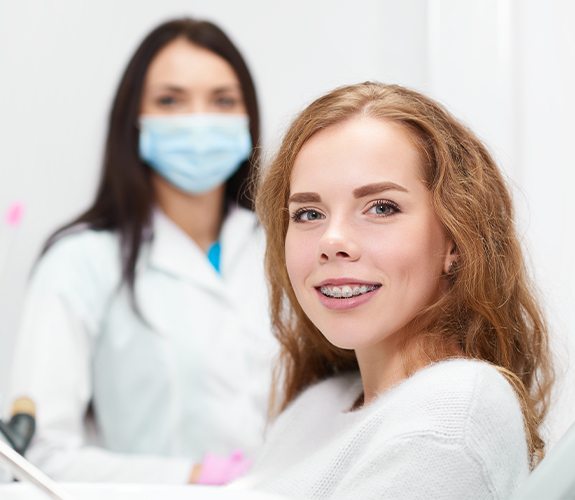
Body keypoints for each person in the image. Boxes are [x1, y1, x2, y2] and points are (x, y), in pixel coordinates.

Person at [230, 82, 554, 499]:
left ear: (455, 239)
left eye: (381, 207)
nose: (332, 241)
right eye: (309, 213)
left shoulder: (453, 410)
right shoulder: (319, 406)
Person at [7, 17, 277, 484]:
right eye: (170, 100)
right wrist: (190, 477)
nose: (198, 121)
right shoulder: (79, 263)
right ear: (135, 119)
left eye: (222, 101)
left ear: (247, 117)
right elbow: (37, 457)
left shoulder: (285, 246)